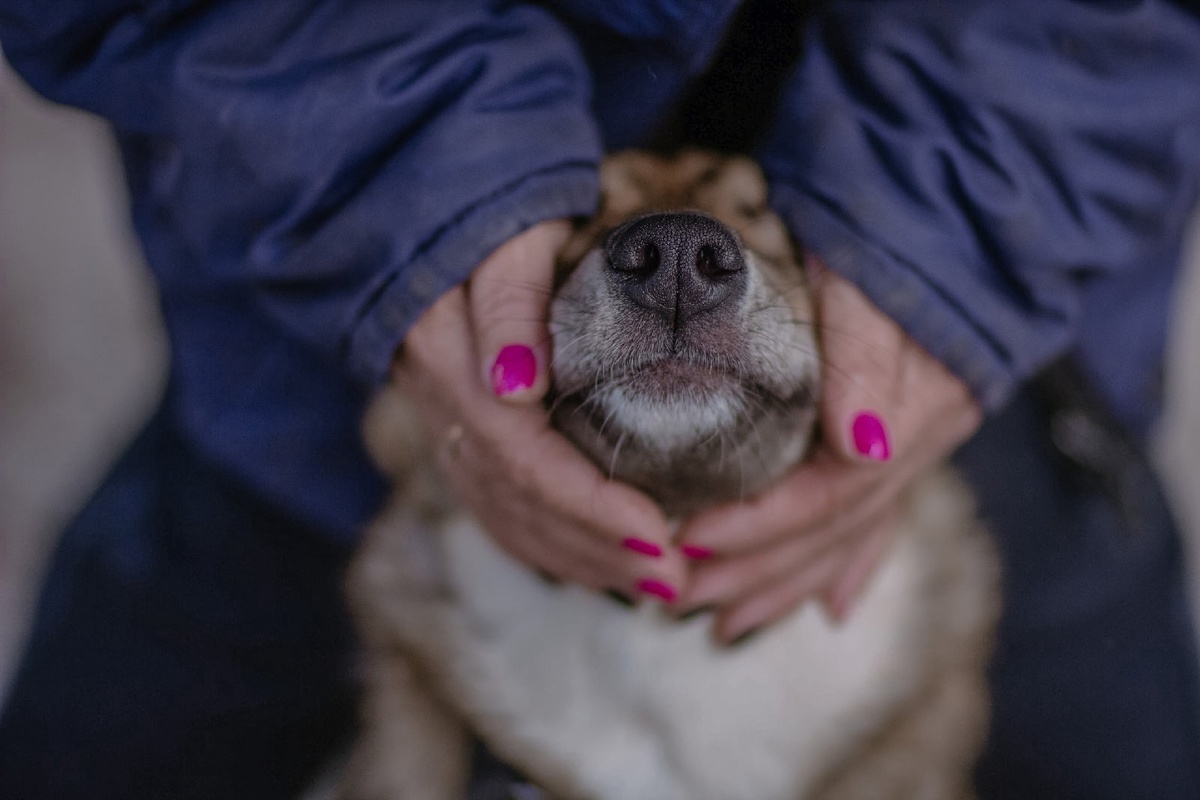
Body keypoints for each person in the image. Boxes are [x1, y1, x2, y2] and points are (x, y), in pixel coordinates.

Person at [1, 1, 1198, 798]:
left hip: (970, 369)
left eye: (732, 242)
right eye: (623, 247)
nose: (675, 258)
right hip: (351, 337)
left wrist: (957, 243)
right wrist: (405, 183)